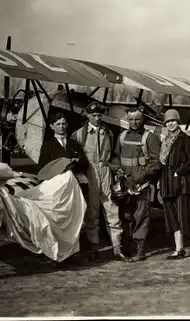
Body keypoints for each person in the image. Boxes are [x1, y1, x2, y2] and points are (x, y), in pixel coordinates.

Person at [71, 102, 132, 262]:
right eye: (93, 115)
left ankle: (117, 248)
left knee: (111, 210)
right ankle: (94, 248)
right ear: (87, 115)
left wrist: (115, 169)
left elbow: (113, 155)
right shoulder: (78, 134)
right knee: (91, 213)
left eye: (99, 115)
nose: (97, 118)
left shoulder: (108, 133)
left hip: (105, 173)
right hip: (89, 174)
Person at [111, 107, 161, 261]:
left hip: (141, 185)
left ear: (143, 119)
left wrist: (142, 175)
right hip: (125, 184)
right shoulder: (122, 136)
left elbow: (156, 163)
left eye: (137, 119)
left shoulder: (149, 137)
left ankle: (140, 248)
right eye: (131, 119)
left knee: (141, 215)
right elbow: (115, 157)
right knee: (125, 215)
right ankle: (126, 245)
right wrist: (118, 169)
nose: (134, 122)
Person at [159, 109, 190, 263]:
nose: (170, 124)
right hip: (168, 184)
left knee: (188, 217)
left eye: (173, 121)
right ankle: (179, 249)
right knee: (173, 218)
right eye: (168, 122)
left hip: (183, 184)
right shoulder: (165, 140)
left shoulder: (185, 139)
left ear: (178, 122)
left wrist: (179, 172)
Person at [38, 112, 89, 189]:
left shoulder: (74, 143)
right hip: (56, 183)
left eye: (63, 124)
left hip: (75, 182)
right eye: (58, 124)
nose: (61, 126)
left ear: (67, 125)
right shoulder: (47, 145)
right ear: (52, 126)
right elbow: (43, 166)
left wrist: (76, 163)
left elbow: (85, 163)